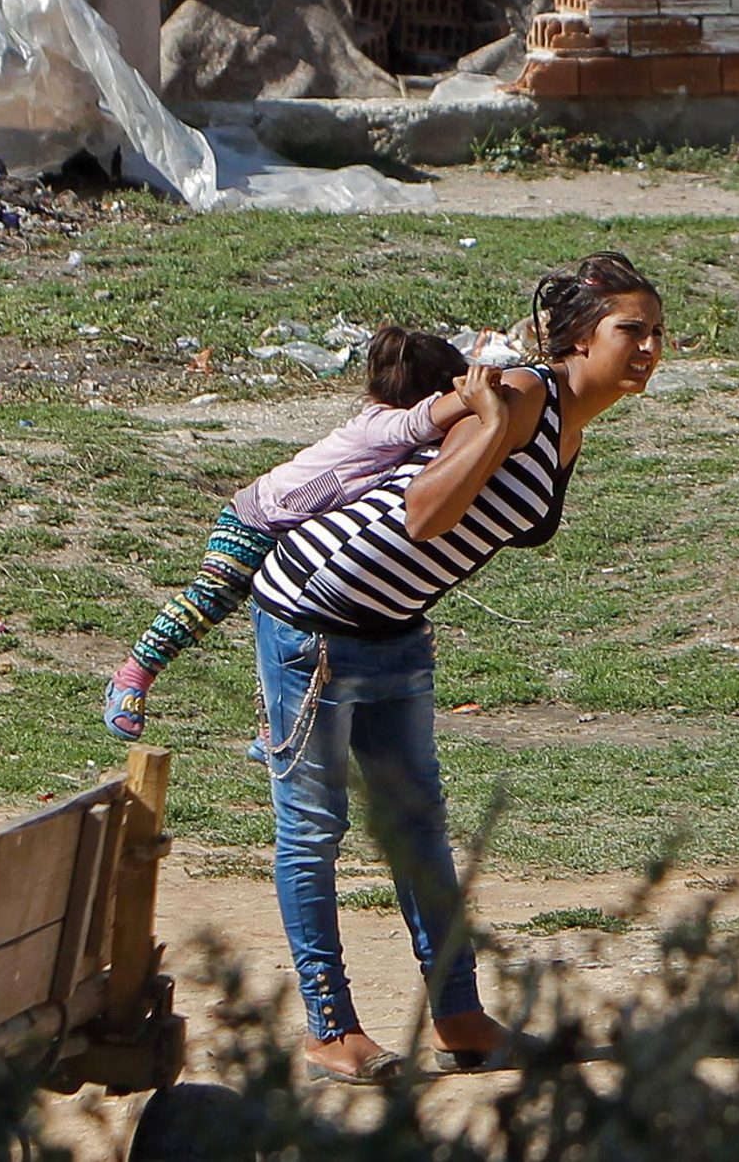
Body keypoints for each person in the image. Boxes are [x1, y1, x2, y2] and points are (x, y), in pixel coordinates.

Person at [244, 254, 666, 1082]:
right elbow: (426, 510)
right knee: (313, 829)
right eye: (631, 330)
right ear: (579, 339)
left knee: (420, 830)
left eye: (657, 332)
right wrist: (492, 424)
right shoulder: (522, 400)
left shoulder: (565, 421)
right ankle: (330, 1026)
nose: (649, 346)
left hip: (394, 625)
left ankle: (460, 1015)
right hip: (313, 616)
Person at [102, 323, 477, 742]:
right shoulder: (380, 425)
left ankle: (272, 728)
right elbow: (421, 422)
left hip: (293, 538)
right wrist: (472, 395)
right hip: (256, 521)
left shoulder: (401, 438)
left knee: (285, 625)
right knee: (209, 601)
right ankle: (132, 676)